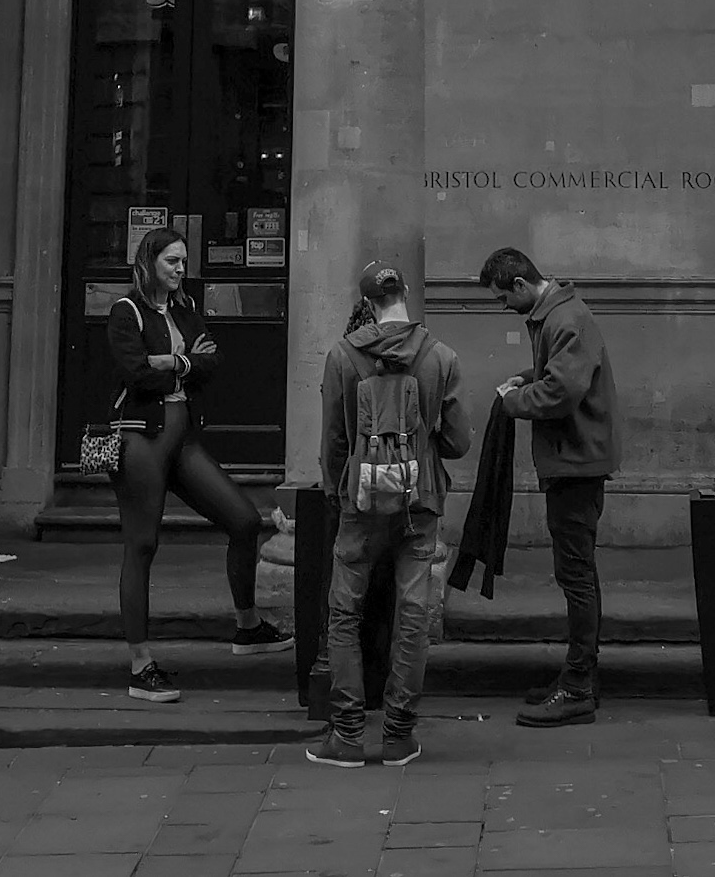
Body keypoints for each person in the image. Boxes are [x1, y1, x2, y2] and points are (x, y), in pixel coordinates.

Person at [101, 226, 285, 702]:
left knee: (244, 521)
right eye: (172, 261)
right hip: (142, 439)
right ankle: (141, 666)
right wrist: (182, 363)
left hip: (182, 439)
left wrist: (171, 362)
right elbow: (136, 374)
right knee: (142, 545)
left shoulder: (185, 309)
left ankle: (248, 626)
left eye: (183, 261)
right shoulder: (126, 312)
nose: (181, 269)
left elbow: (214, 361)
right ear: (149, 262)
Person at [303, 263, 470, 771]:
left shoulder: (342, 356)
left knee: (344, 615)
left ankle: (348, 735)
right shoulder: (440, 356)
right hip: (420, 501)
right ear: (406, 294)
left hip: (361, 502)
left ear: (368, 304)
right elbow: (458, 442)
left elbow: (334, 440)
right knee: (413, 615)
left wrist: (338, 492)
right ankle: (398, 735)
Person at [481, 245, 617, 726]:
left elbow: (561, 393)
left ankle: (577, 687)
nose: (504, 307)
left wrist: (514, 400)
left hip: (576, 462)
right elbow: (559, 376)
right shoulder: (557, 315)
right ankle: (582, 677)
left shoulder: (564, 319)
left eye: (503, 298)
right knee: (579, 573)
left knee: (575, 576)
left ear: (520, 284)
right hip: (574, 459)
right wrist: (527, 377)